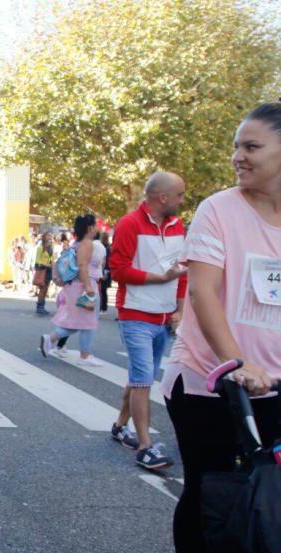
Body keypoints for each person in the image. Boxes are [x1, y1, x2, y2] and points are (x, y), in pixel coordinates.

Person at [163, 101, 281, 553]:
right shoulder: (219, 208)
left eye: (251, 147)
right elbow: (203, 291)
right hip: (209, 378)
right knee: (209, 486)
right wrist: (235, 363)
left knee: (269, 493)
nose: (238, 157)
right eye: (237, 146)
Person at [107, 172, 188, 469]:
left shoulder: (178, 226)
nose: (183, 201)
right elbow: (117, 270)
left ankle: (119, 426)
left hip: (164, 317)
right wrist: (159, 278)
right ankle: (145, 446)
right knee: (143, 380)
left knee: (142, 378)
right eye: (179, 195)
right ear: (162, 198)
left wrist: (179, 310)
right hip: (135, 315)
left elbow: (182, 272)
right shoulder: (129, 224)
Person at [40, 215, 104, 366]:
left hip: (74, 285)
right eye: (95, 225)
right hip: (84, 285)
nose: (97, 228)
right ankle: (84, 356)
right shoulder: (87, 244)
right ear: (90, 228)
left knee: (79, 322)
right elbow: (83, 266)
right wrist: (88, 287)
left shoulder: (77, 243)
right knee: (88, 321)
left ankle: (51, 340)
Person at [34, 231, 56, 315]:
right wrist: (46, 264)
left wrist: (53, 265)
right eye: (48, 235)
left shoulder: (51, 247)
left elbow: (53, 258)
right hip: (43, 269)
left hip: (49, 270)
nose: (50, 237)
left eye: (51, 235)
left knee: (46, 289)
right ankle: (39, 306)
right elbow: (37, 260)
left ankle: (42, 306)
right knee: (42, 289)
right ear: (44, 237)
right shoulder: (40, 248)